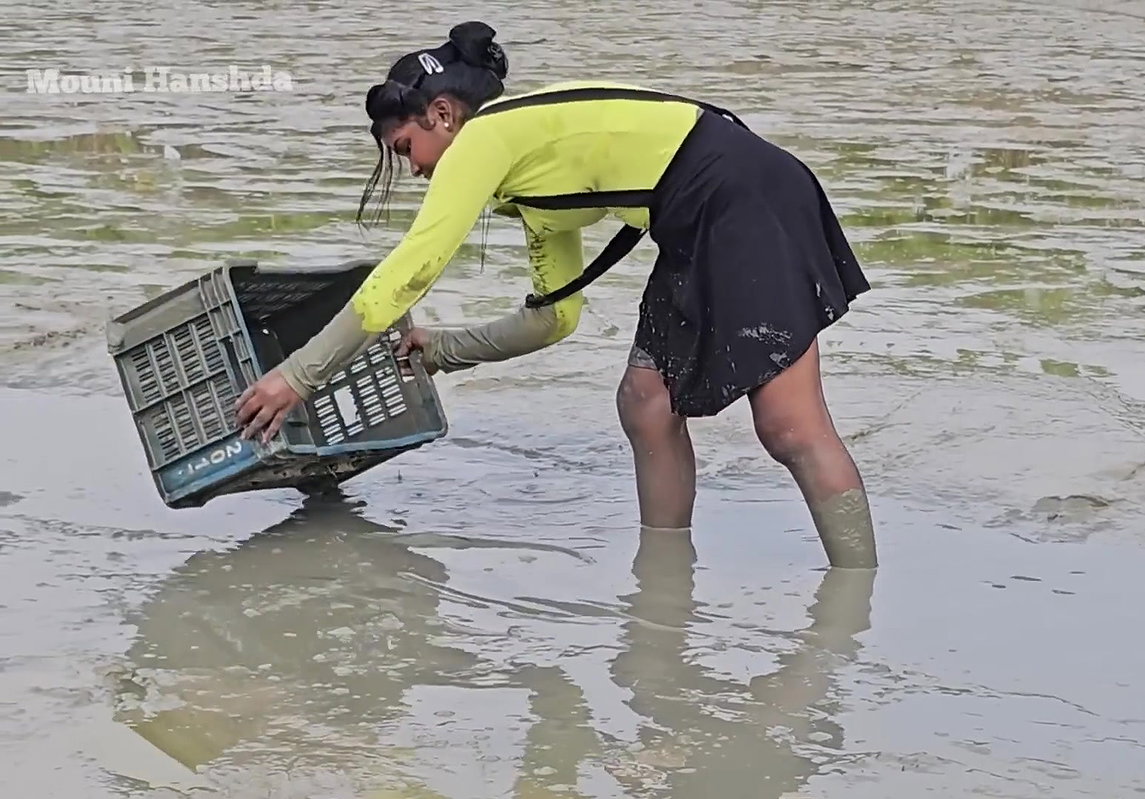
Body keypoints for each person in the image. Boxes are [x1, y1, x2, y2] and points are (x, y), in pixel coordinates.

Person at [234, 21, 878, 569]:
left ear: (442, 115)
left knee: (789, 426)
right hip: (698, 221)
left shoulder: (484, 137)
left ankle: (856, 598)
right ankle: (663, 579)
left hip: (744, 202)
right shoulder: (531, 183)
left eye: (407, 148)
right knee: (646, 402)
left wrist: (296, 377)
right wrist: (443, 351)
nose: (416, 168)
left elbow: (410, 270)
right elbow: (555, 318)